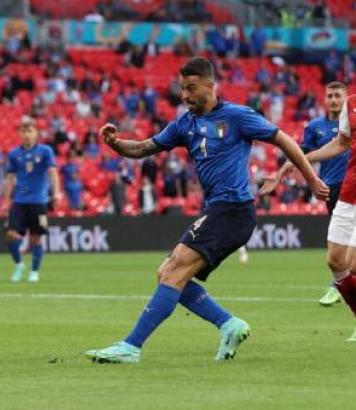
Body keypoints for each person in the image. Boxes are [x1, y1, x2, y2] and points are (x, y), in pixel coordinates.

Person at [86, 57, 329, 363]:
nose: (185, 96)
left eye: (191, 88)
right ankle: (229, 324)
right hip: (216, 210)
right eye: (181, 89)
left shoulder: (238, 116)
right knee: (168, 273)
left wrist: (311, 178)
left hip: (234, 209)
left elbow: (285, 141)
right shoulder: (185, 124)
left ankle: (131, 347)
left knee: (173, 270)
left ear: (210, 85)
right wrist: (116, 144)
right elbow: (145, 147)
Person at [261, 90, 356, 342]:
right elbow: (341, 143)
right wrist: (300, 160)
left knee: (354, 263)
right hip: (348, 192)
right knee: (336, 261)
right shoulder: (352, 104)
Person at [301, 82, 348, 306]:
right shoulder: (314, 127)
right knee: (341, 243)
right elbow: (303, 158)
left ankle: (336, 285)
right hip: (329, 189)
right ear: (324, 99)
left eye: (338, 96)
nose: (333, 100)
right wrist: (312, 181)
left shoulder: (351, 123)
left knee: (347, 244)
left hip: (351, 188)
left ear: (346, 98)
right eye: (330, 96)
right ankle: (341, 284)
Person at [3, 116, 62, 283]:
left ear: (36, 133)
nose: (26, 134)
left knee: (36, 237)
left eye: (30, 131)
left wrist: (56, 193)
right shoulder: (14, 154)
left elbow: (52, 172)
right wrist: (7, 199)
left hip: (39, 201)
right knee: (11, 234)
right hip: (19, 201)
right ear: (19, 134)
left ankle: (34, 271)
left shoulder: (45, 151)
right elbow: (9, 178)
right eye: (23, 131)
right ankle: (19, 264)